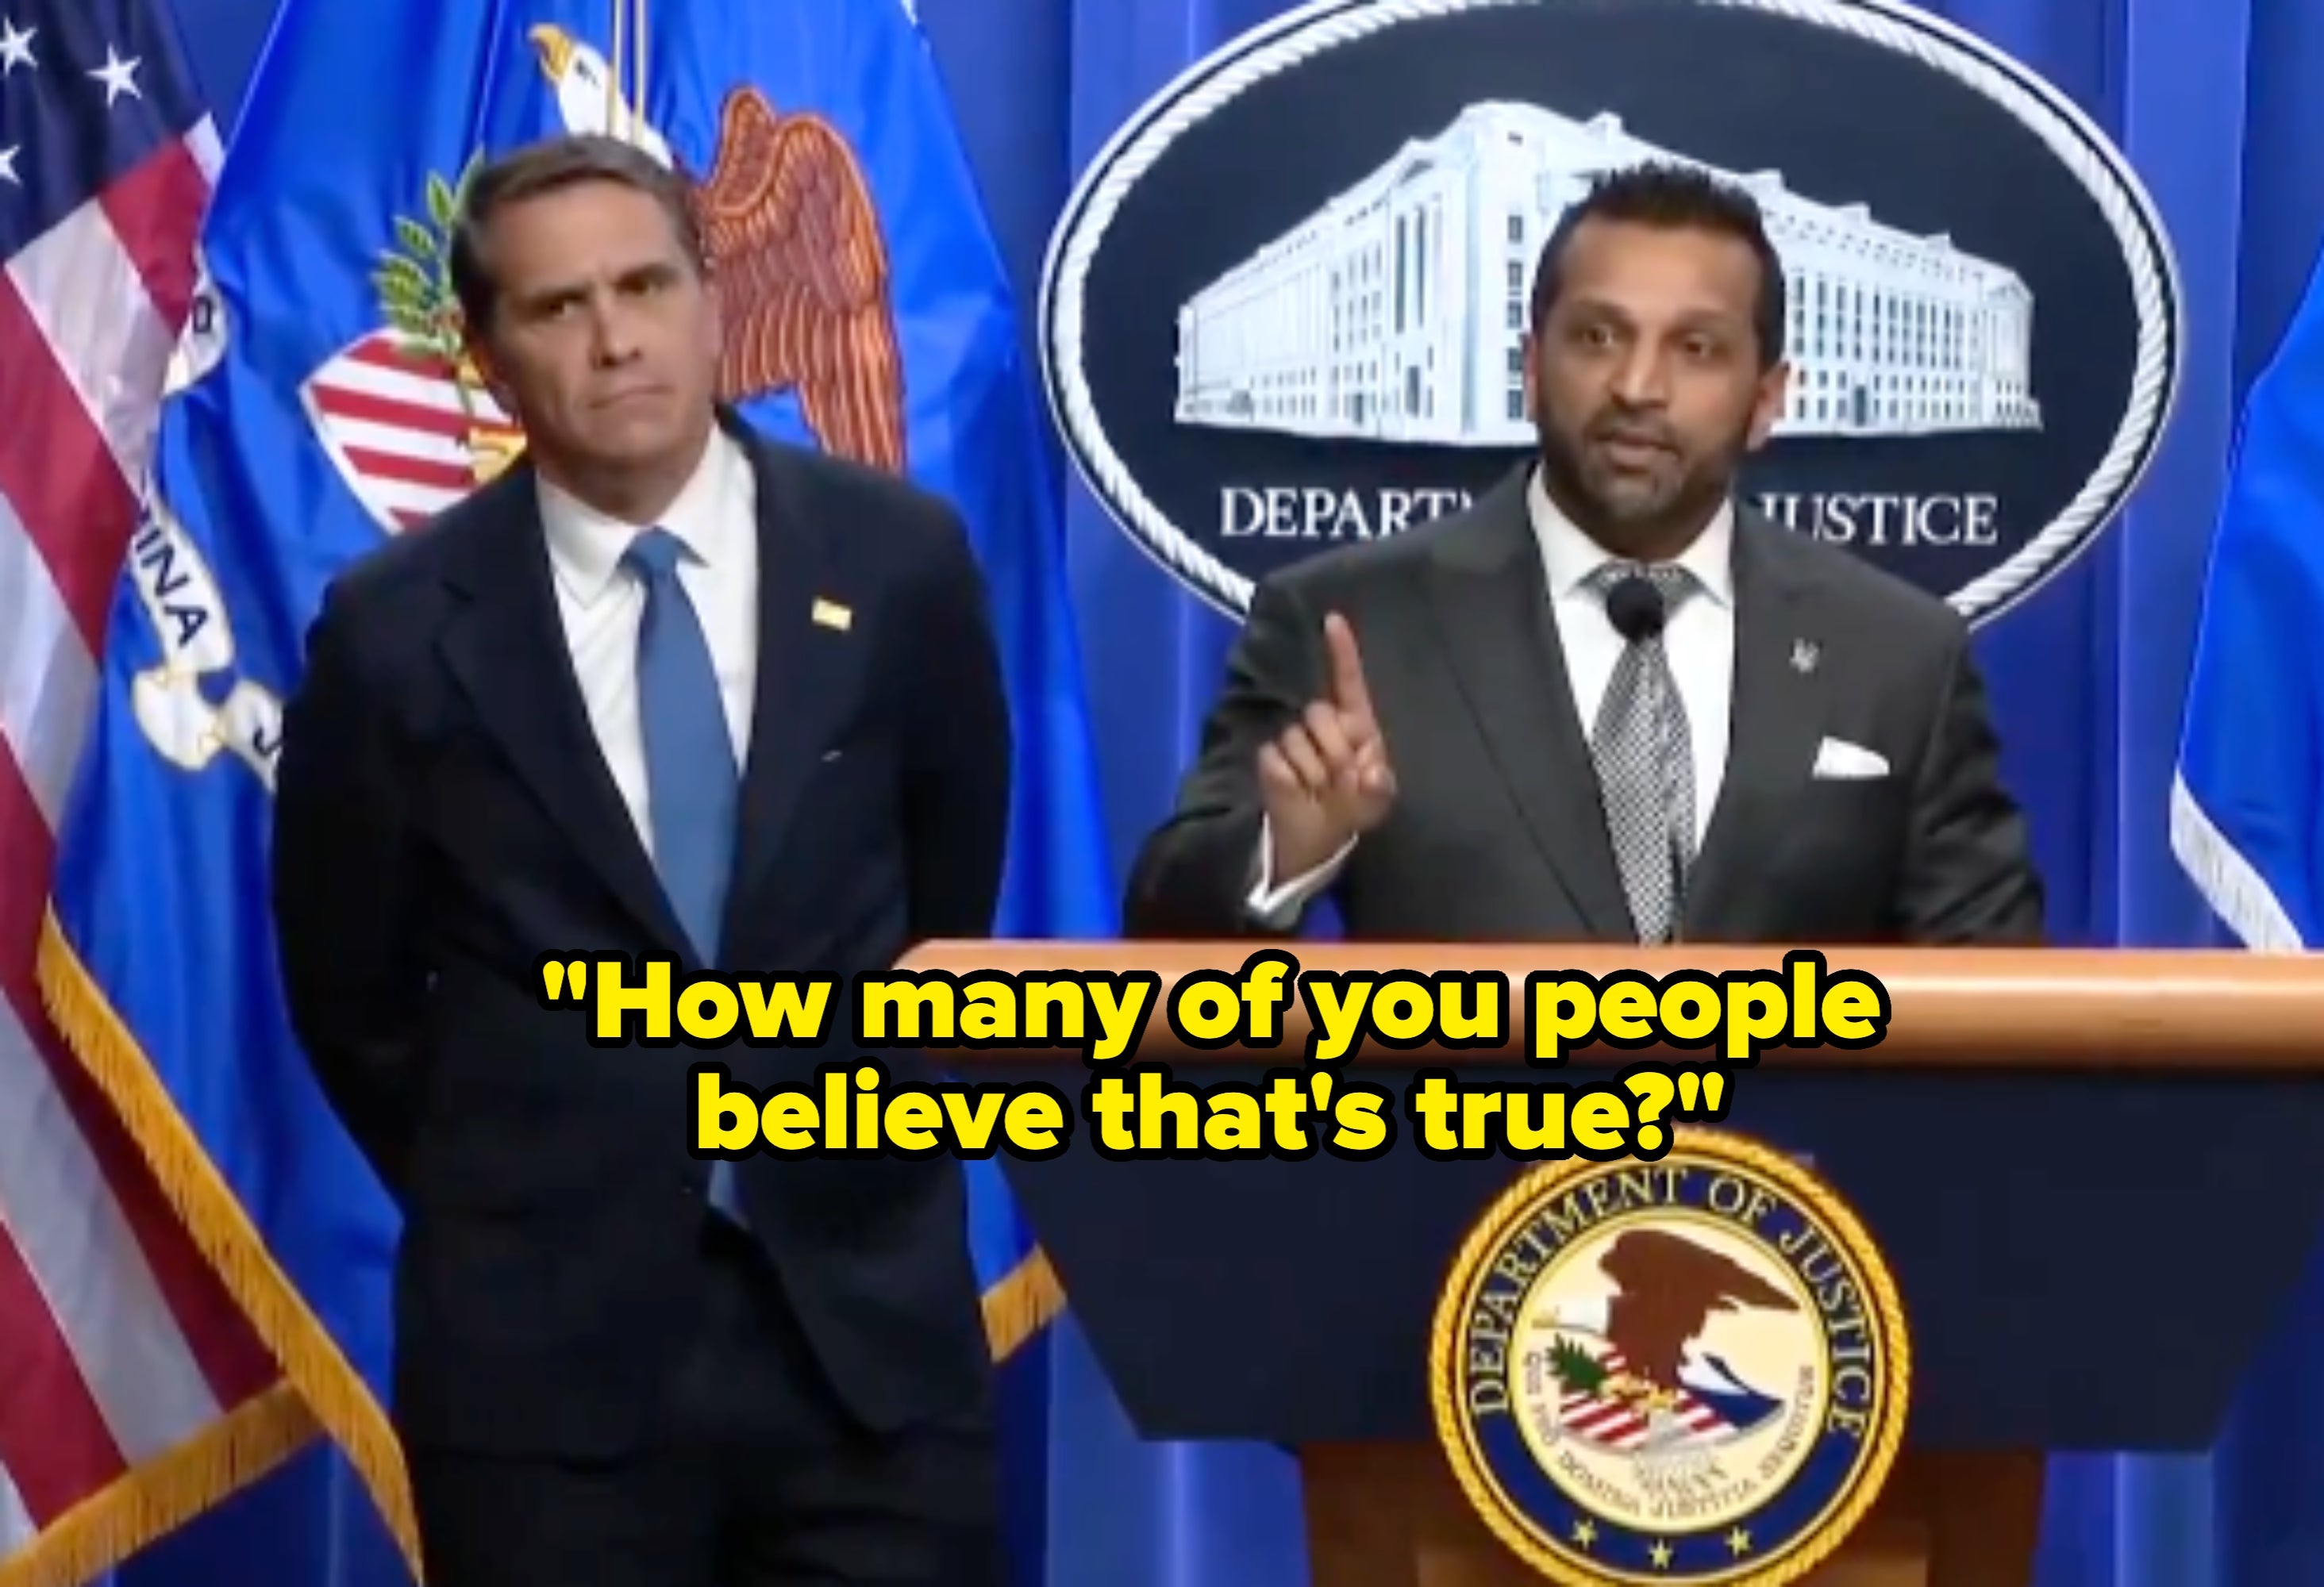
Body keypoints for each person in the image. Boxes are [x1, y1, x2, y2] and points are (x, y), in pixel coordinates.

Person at [271, 133, 1011, 1587]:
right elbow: (350, 991)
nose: (615, 340)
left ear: (711, 297)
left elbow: (945, 898)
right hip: (541, 1372)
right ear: (486, 357)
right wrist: (537, 1170)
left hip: (863, 1345)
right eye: (559, 308)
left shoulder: (899, 562)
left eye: (645, 286)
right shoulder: (395, 627)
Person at [1123, 161, 2044, 947]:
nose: (1637, 386)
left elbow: (1999, 993)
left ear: (1768, 399)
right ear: (1532, 368)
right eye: (1598, 337)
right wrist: (1285, 853)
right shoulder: (1351, 624)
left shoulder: (1898, 654)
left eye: (1696, 347)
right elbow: (1164, 931)